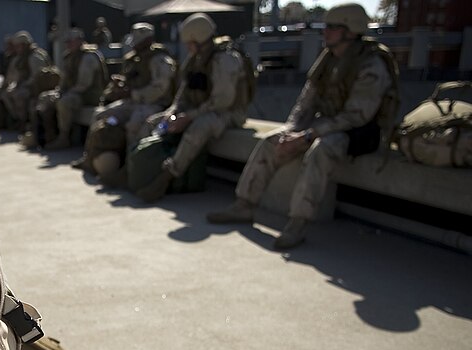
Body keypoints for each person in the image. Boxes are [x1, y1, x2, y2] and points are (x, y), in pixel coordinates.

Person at [207, 2, 398, 250]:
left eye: (332, 27)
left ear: (350, 31)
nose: (324, 32)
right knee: (271, 141)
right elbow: (304, 103)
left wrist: (308, 136)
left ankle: (297, 223)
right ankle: (244, 205)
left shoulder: (372, 65)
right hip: (326, 125)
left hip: (360, 133)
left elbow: (356, 117)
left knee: (321, 150)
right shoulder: (328, 60)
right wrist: (291, 131)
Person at [135, 13, 252, 203]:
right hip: (200, 110)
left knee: (199, 127)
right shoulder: (194, 60)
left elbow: (222, 101)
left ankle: (167, 177)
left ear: (199, 38)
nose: (187, 46)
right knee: (153, 122)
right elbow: (182, 93)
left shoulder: (224, 60)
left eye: (190, 42)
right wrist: (172, 113)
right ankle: (143, 168)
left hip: (229, 113)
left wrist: (188, 117)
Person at [73, 22, 176, 178]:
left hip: (154, 104)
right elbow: (128, 80)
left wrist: (132, 93)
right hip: (132, 102)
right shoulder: (134, 59)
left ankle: (130, 168)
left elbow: (160, 88)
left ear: (148, 40)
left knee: (134, 124)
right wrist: (119, 87)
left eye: (138, 42)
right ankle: (90, 158)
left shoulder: (159, 59)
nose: (134, 46)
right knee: (100, 115)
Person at [37, 28, 107, 150]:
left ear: (80, 41)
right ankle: (47, 135)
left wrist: (63, 95)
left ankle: (64, 137)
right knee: (45, 97)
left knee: (64, 102)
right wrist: (58, 92)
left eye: (71, 41)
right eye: (67, 42)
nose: (68, 44)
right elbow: (63, 81)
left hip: (89, 95)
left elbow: (84, 85)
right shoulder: (69, 57)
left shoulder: (88, 57)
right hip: (74, 93)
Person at [1, 31, 51, 134]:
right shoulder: (21, 58)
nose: (17, 49)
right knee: (6, 94)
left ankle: (24, 122)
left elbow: (37, 77)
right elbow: (14, 75)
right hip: (25, 85)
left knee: (19, 95)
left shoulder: (35, 57)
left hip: (37, 87)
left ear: (24, 45)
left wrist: (24, 85)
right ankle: (18, 118)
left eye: (18, 46)